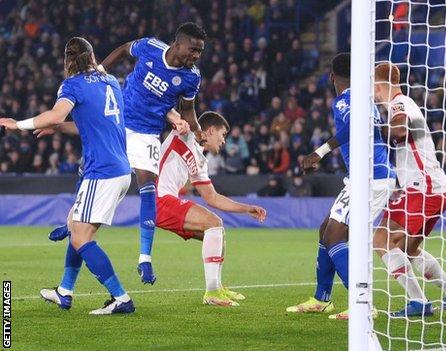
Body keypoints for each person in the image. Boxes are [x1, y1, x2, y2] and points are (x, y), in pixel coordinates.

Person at [51, 22, 206, 285]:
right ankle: (71, 225)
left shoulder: (192, 77)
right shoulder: (150, 47)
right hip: (119, 123)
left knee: (147, 188)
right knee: (90, 175)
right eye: (193, 50)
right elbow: (124, 49)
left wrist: (197, 129)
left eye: (200, 52)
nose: (196, 56)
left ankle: (144, 257)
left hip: (147, 133)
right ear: (178, 44)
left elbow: (188, 111)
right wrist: (101, 69)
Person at [0, 37, 134, 314]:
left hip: (102, 172)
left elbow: (54, 115)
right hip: (120, 169)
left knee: (81, 238)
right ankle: (65, 291)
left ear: (67, 60)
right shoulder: (111, 81)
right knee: (75, 226)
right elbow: (92, 123)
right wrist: (60, 129)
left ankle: (121, 299)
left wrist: (17, 125)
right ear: (92, 56)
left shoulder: (73, 85)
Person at [286, 53, 396, 320]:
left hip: (370, 178)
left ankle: (362, 303)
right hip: (364, 176)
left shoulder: (347, 99)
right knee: (326, 229)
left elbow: (355, 127)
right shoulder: (364, 99)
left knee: (336, 235)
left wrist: (319, 152)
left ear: (332, 77)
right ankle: (321, 298)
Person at [372, 62, 446, 317]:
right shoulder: (402, 103)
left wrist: (372, 132)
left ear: (379, 84)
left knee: (382, 240)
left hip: (423, 188)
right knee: (408, 248)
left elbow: (400, 129)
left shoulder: (399, 103)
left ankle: (419, 301)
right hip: (428, 188)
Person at [156, 111, 266, 305]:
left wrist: (246, 208)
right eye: (222, 135)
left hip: (168, 202)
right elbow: (186, 110)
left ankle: (217, 286)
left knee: (218, 232)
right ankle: (212, 292)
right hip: (159, 200)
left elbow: (212, 198)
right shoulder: (186, 134)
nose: (224, 141)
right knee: (213, 223)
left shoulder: (200, 161)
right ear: (211, 130)